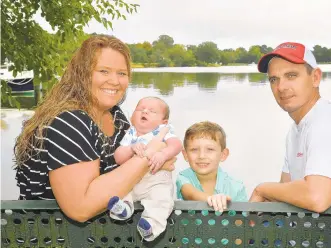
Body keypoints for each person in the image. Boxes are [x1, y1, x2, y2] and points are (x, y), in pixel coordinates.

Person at [14, 35, 176, 222]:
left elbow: (125, 170)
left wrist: (156, 161)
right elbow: (81, 208)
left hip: (103, 233)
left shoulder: (115, 116)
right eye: (104, 71)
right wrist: (149, 156)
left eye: (122, 73)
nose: (115, 81)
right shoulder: (69, 122)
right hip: (54, 236)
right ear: (82, 74)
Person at [249, 42, 331, 211]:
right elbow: (284, 189)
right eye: (274, 79)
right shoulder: (296, 131)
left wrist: (262, 188)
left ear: (315, 78)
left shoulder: (326, 123)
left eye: (291, 76)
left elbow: (317, 198)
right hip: (315, 230)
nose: (281, 87)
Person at [107, 96, 182, 241]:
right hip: (133, 179)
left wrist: (163, 154)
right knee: (123, 190)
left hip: (156, 180)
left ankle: (151, 226)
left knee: (162, 200)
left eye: (152, 111)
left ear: (163, 121)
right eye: (140, 109)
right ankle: (123, 209)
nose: (145, 111)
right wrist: (131, 149)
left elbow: (177, 145)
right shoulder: (131, 133)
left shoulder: (163, 130)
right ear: (132, 116)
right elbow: (118, 157)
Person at [176, 121, 248, 212]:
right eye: (194, 150)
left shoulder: (237, 187)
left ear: (223, 154)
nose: (201, 156)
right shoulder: (183, 178)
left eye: (210, 149)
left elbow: (241, 223)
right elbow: (191, 194)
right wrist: (212, 199)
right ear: (185, 155)